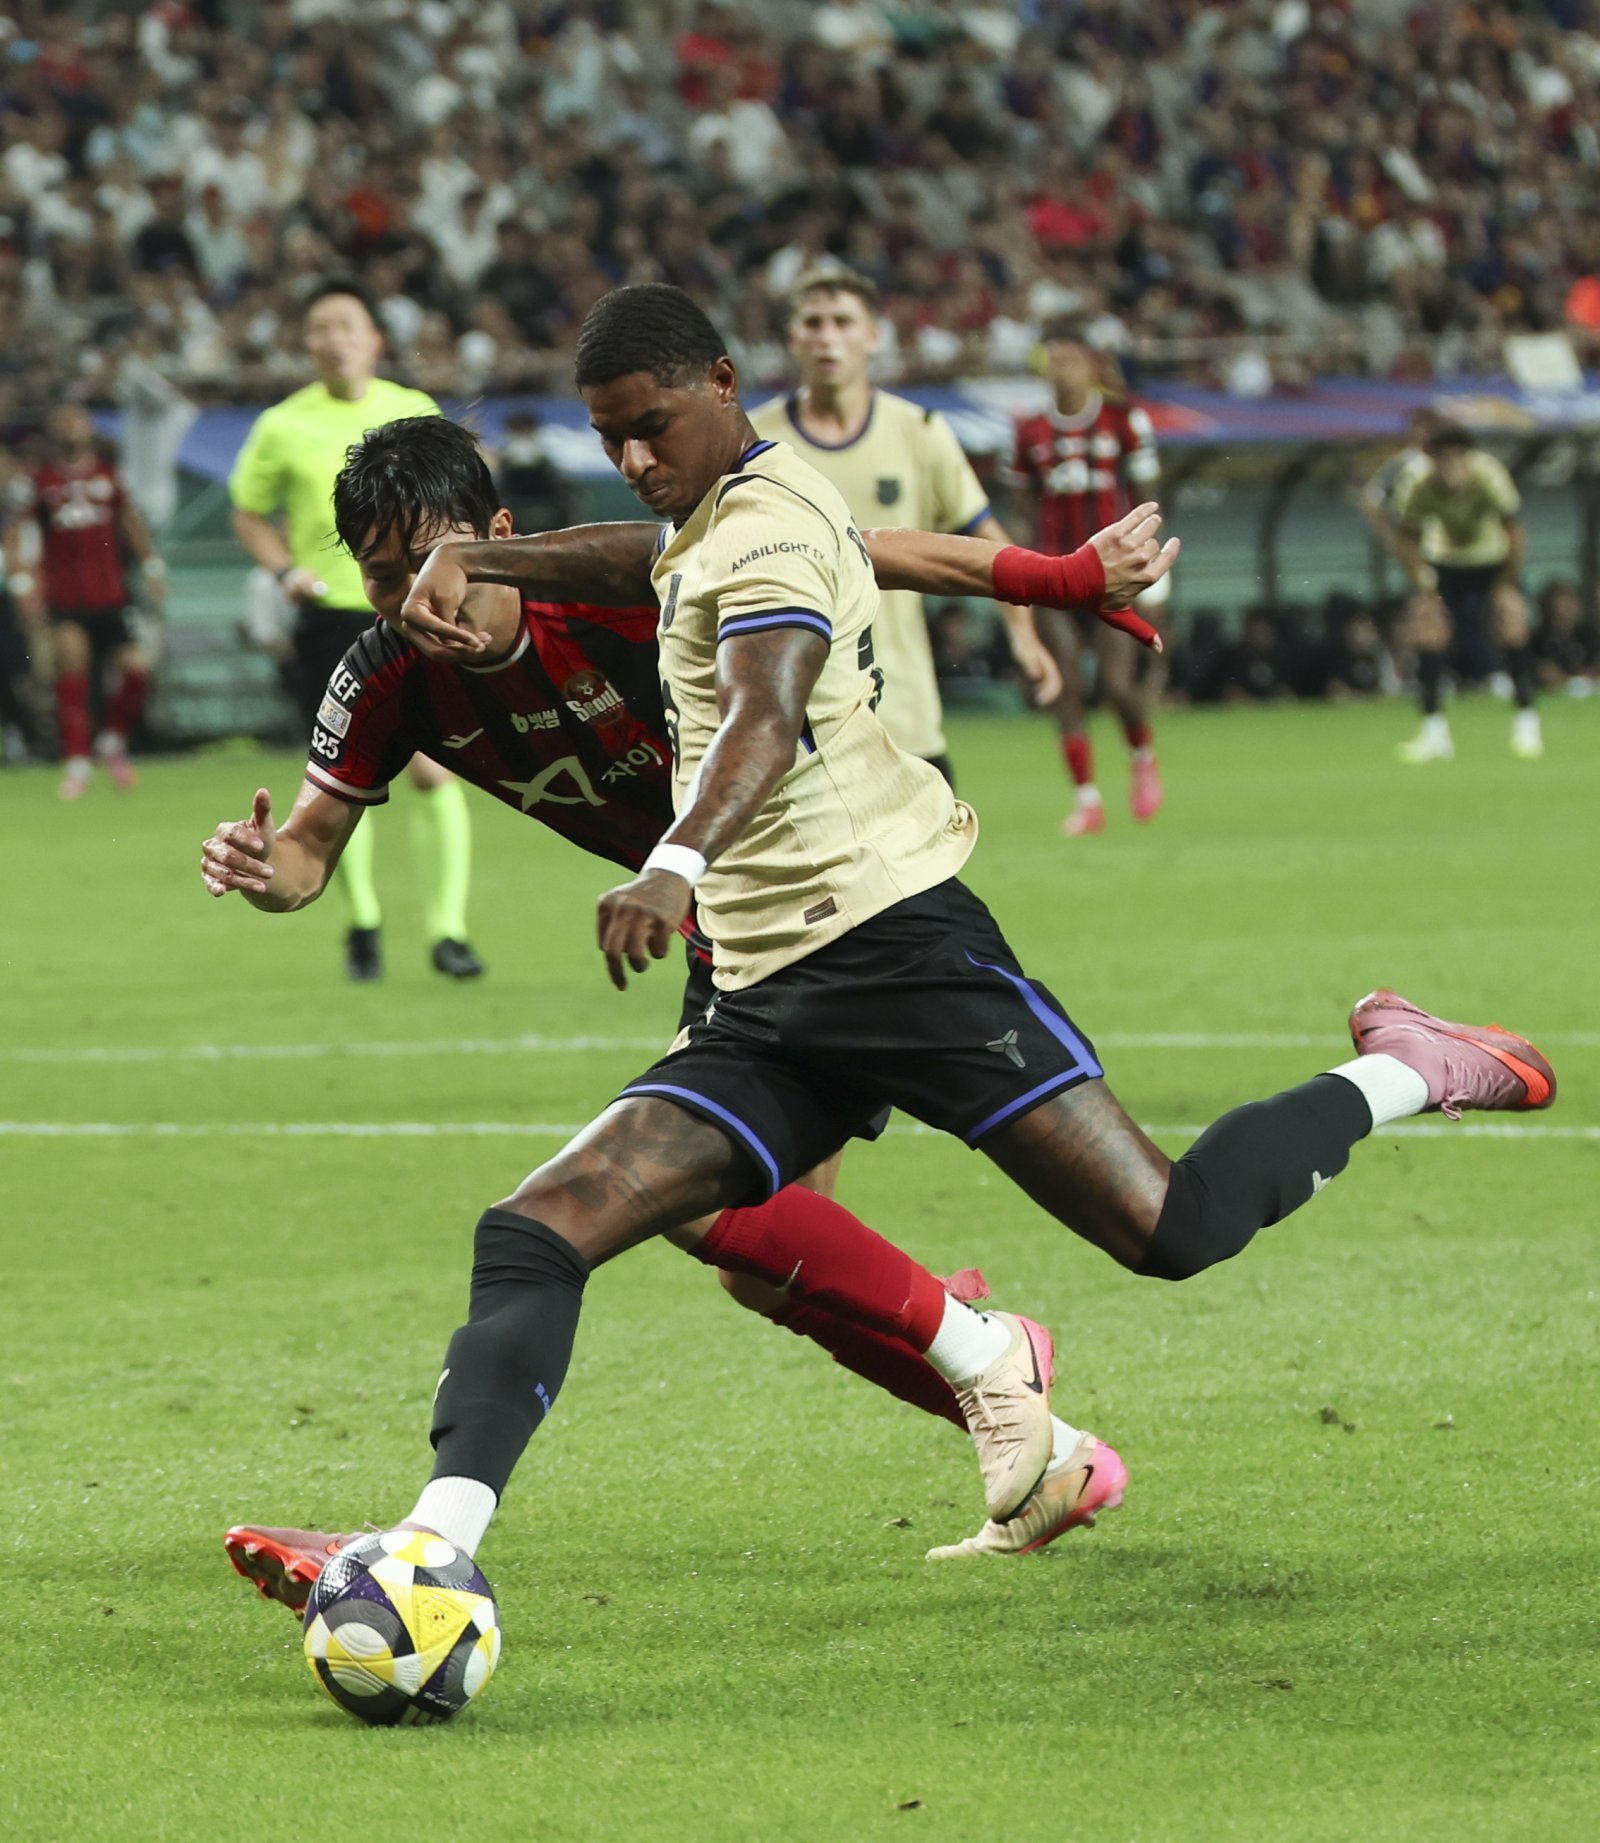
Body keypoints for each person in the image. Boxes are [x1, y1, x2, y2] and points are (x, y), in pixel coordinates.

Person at [231, 287, 1554, 1612]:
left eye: (649, 427)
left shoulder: (761, 531)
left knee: (1171, 1226)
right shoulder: (647, 549)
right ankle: (431, 1548)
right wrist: (1055, 576)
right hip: (751, 972)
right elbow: (774, 555)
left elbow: (762, 711)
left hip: (890, 938)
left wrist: (672, 863)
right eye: (609, 437)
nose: (631, 459)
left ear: (720, 384)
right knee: (557, 1225)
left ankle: (1408, 1066)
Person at [209, 415, 1176, 1604]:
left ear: (499, 536)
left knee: (680, 1217)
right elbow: (308, 851)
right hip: (730, 934)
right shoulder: (384, 674)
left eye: (430, 561)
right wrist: (265, 868)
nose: (415, 598)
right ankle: (1041, 1437)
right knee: (754, 1254)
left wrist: (1057, 577)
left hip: (829, 903)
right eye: (380, 575)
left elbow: (856, 550)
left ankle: (992, 1360)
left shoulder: (612, 590)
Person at [228, 277, 483, 982]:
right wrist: (284, 570)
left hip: (415, 607)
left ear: (374, 337)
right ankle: (364, 920)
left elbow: (461, 499)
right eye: (320, 327)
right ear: (306, 344)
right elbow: (248, 510)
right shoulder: (283, 424)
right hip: (332, 616)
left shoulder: (414, 410)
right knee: (346, 772)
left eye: (346, 324)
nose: (333, 338)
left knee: (433, 767)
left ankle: (448, 930)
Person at [748, 267, 1059, 787]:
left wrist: (1024, 637)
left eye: (843, 322)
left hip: (905, 719)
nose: (827, 337)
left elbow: (987, 543)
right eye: (813, 323)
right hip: (795, 726)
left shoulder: (919, 432)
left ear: (873, 337)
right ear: (792, 338)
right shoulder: (755, 442)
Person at [1010, 316, 1168, 836]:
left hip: (1110, 573)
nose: (1062, 371)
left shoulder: (1123, 420)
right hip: (1053, 573)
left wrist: (1153, 572)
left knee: (1118, 684)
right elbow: (1022, 511)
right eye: (1054, 362)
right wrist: (1020, 572)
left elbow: (1148, 500)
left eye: (1072, 360)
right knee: (1066, 686)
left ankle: (1141, 756)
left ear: (1092, 366)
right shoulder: (1029, 431)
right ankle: (1087, 800)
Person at [22, 403, 165, 800]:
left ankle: (112, 740)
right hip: (66, 597)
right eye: (64, 422)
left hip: (111, 594)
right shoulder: (43, 481)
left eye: (77, 421)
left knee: (136, 668)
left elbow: (130, 521)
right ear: (54, 431)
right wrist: (26, 584)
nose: (71, 427)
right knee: (73, 670)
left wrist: (151, 566)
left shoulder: (108, 475)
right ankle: (77, 763)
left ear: (89, 429)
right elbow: (23, 533)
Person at [1382, 425, 1541, 763]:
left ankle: (1527, 723)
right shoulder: (1417, 482)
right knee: (1429, 631)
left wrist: (1505, 584)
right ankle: (1434, 732)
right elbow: (1406, 538)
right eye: (1442, 458)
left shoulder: (1489, 475)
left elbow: (1514, 532)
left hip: (1492, 561)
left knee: (1512, 623)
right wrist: (1423, 583)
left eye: (1457, 457)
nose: (1450, 465)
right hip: (1446, 563)